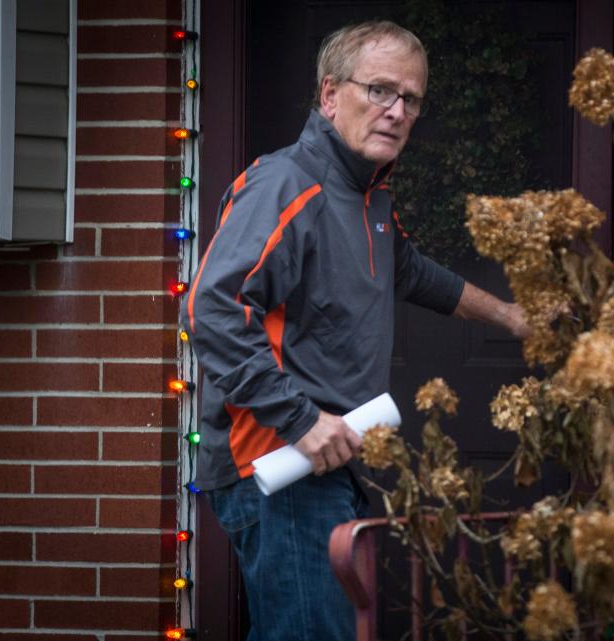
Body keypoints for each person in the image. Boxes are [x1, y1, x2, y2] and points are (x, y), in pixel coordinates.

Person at [182, 20, 530, 641]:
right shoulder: (287, 185)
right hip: (280, 462)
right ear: (329, 95)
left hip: (329, 464)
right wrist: (300, 421)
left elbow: (413, 273)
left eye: (411, 99)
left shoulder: (368, 197)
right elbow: (215, 306)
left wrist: (510, 317)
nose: (397, 111)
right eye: (379, 90)